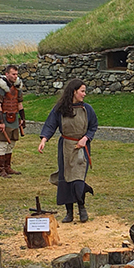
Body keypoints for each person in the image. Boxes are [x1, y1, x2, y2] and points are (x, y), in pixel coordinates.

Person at [38, 78, 98, 223]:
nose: (84, 94)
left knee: (77, 180)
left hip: (81, 149)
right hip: (65, 148)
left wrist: (85, 139)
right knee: (65, 181)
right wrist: (44, 140)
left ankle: (82, 208)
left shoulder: (87, 109)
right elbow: (50, 124)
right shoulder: (60, 109)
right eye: (82, 91)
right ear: (74, 91)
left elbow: (93, 127)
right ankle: (69, 212)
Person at [0, 64, 26, 178]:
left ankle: (7, 167)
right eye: (13, 74)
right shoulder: (1, 87)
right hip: (4, 117)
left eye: (16, 74)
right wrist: (1, 122)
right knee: (3, 144)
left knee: (12, 143)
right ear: (7, 74)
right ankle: (1, 170)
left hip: (14, 118)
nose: (15, 76)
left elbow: (19, 103)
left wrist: (23, 118)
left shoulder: (17, 87)